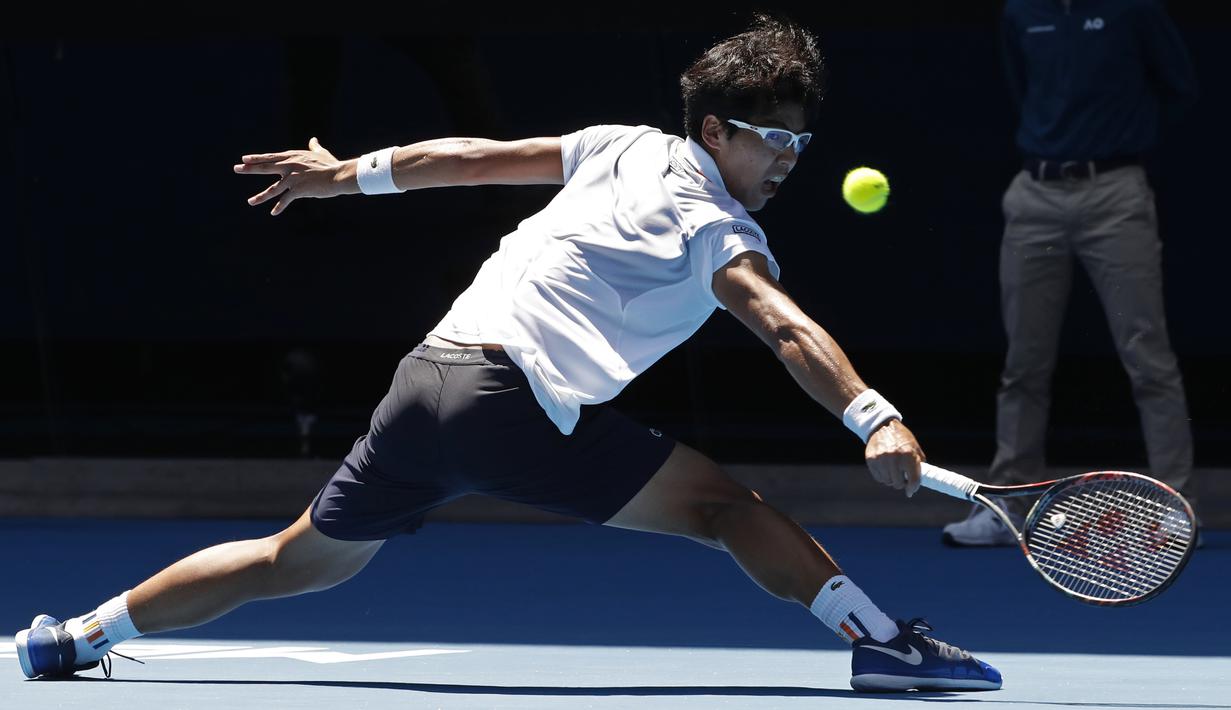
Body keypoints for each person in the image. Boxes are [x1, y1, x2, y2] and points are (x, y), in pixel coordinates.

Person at [16, 16, 1001, 692]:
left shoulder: (619, 144)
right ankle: (883, 642)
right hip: (510, 401)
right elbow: (781, 325)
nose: (785, 159)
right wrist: (874, 415)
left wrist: (343, 176)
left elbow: (467, 160)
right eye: (767, 138)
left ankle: (76, 635)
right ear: (713, 129)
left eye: (799, 144)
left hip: (426, 380)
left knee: (294, 560)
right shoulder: (716, 225)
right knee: (726, 509)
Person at [942, 0, 1200, 547]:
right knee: (1023, 365)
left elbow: (1179, 85)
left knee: (1148, 358)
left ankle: (1176, 507)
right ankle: (1009, 506)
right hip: (1035, 195)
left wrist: (1116, 137)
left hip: (1116, 195)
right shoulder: (1020, 12)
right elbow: (1024, 89)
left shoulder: (1133, 9)